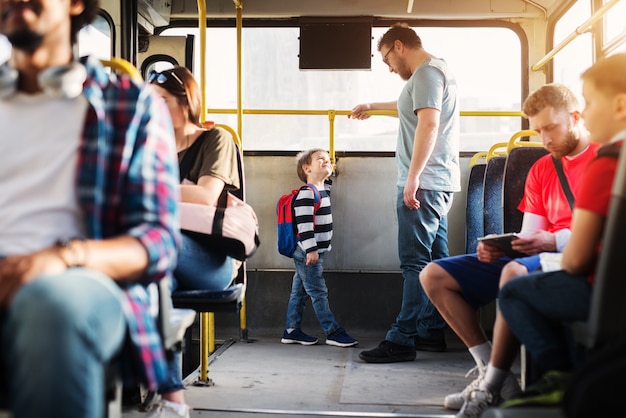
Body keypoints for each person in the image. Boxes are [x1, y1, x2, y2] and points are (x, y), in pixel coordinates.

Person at [0, 1, 180, 418]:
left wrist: (61, 259)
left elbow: (156, 241)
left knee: (50, 306)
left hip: (80, 279)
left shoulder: (128, 105)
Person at [456, 53, 626, 418]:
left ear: (620, 105)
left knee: (516, 290)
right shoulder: (551, 168)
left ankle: (561, 377)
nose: (587, 112)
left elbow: (578, 259)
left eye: (591, 102)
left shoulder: (606, 164)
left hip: (608, 294)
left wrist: (551, 246)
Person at [419, 83, 600, 411]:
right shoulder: (544, 167)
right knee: (434, 275)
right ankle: (490, 368)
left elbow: (603, 233)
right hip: (543, 255)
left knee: (514, 273)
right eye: (538, 131)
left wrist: (550, 241)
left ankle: (490, 387)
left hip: (579, 256)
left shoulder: (603, 161)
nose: (544, 140)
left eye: (551, 128)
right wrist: (504, 246)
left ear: (575, 117)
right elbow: (532, 233)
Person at [349, 23, 460, 363]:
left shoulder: (427, 73)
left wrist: (412, 179)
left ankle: (402, 338)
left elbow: (429, 123)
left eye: (387, 59)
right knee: (436, 263)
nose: (389, 67)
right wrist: (370, 104)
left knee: (414, 262)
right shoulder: (433, 72)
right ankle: (430, 330)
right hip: (438, 183)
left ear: (399, 46)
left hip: (423, 185)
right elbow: (408, 104)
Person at [145, 66, 241, 417]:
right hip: (163, 253)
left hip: (210, 259)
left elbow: (204, 195)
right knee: (158, 283)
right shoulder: (149, 146)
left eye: (161, 101)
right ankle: (171, 398)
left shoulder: (216, 140)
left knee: (151, 250)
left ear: (185, 102)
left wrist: (144, 188)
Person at [280, 148, 358, 348]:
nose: (326, 161)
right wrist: (311, 250)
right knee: (318, 291)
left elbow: (326, 181)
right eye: (320, 159)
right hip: (308, 252)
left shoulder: (322, 189)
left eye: (328, 159)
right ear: (307, 168)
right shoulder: (307, 193)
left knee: (300, 292)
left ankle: (291, 330)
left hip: (313, 251)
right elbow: (304, 224)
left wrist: (329, 169)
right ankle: (332, 331)